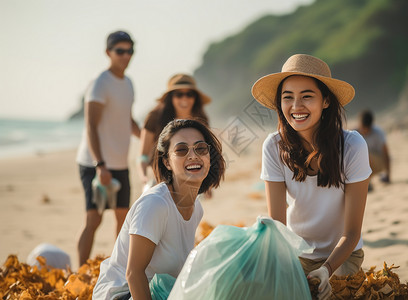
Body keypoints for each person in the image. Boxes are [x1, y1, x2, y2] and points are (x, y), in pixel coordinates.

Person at [252, 54, 371, 300]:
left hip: (342, 256)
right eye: (288, 98)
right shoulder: (273, 146)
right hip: (298, 254)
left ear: (326, 101)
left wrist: (327, 269)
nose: (296, 106)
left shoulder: (352, 145)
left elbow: (351, 233)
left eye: (307, 96)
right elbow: (278, 226)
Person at [92, 119, 226, 300]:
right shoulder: (155, 204)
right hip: (123, 294)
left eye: (200, 148)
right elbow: (133, 274)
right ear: (167, 162)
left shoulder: (196, 209)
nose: (193, 155)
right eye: (181, 150)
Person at [76, 30, 141, 267]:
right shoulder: (100, 82)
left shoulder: (129, 83)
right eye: (120, 51)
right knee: (93, 219)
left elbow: (128, 120)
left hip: (120, 163)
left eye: (130, 51)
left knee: (123, 219)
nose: (126, 56)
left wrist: (150, 140)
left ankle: (117, 268)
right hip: (95, 163)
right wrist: (100, 165)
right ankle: (80, 271)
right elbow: (91, 127)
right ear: (108, 53)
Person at [139, 74, 210, 189]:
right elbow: (143, 156)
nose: (184, 99)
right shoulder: (155, 117)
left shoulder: (201, 119)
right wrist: (143, 178)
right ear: (170, 98)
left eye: (189, 94)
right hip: (157, 178)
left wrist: (207, 184)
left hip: (190, 176)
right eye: (179, 94)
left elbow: (205, 153)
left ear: (195, 98)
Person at [356, 109, 391, 190]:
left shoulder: (378, 133)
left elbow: (386, 154)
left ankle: (366, 182)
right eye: (363, 127)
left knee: (365, 155)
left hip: (378, 162)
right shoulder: (354, 132)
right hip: (363, 162)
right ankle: (364, 182)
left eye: (367, 128)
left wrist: (388, 176)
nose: (365, 130)